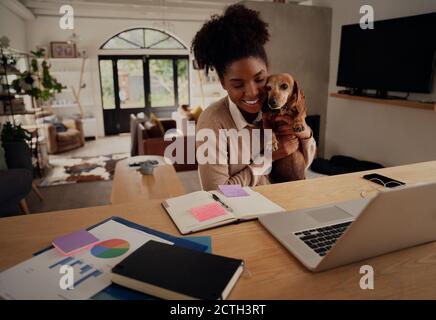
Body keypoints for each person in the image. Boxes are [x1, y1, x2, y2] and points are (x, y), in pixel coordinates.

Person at [192, 4, 316, 191]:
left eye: (259, 79)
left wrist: (304, 133)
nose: (252, 93)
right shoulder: (212, 121)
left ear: (268, 70)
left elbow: (303, 164)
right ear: (223, 82)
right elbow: (216, 193)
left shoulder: (276, 106)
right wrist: (268, 158)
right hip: (246, 214)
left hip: (292, 198)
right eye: (238, 84)